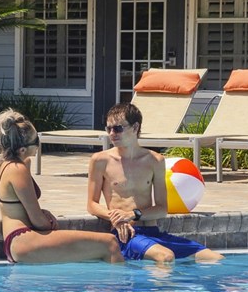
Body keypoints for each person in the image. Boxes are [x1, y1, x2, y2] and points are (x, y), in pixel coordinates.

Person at [87, 102, 223, 263]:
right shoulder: (100, 160)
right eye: (108, 129)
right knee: (165, 256)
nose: (112, 134)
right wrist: (117, 217)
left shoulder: (155, 160)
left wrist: (132, 214)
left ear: (135, 127)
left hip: (153, 232)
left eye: (118, 128)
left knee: (216, 258)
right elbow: (91, 204)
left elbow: (162, 208)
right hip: (128, 234)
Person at [0, 109, 123, 264]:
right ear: (22, 149)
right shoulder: (17, 169)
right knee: (110, 243)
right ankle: (124, 280)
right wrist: (49, 222)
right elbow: (37, 221)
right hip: (23, 240)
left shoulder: (8, 164)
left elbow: (23, 207)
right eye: (36, 141)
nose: (38, 145)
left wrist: (42, 212)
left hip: (18, 240)